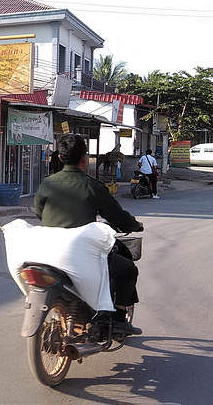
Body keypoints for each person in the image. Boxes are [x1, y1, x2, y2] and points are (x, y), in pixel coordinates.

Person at [34, 133, 144, 335]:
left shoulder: (46, 184)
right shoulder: (92, 186)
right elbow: (118, 216)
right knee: (128, 269)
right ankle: (119, 318)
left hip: (47, 252)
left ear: (59, 158)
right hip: (81, 254)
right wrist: (135, 225)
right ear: (85, 159)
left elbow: (39, 213)